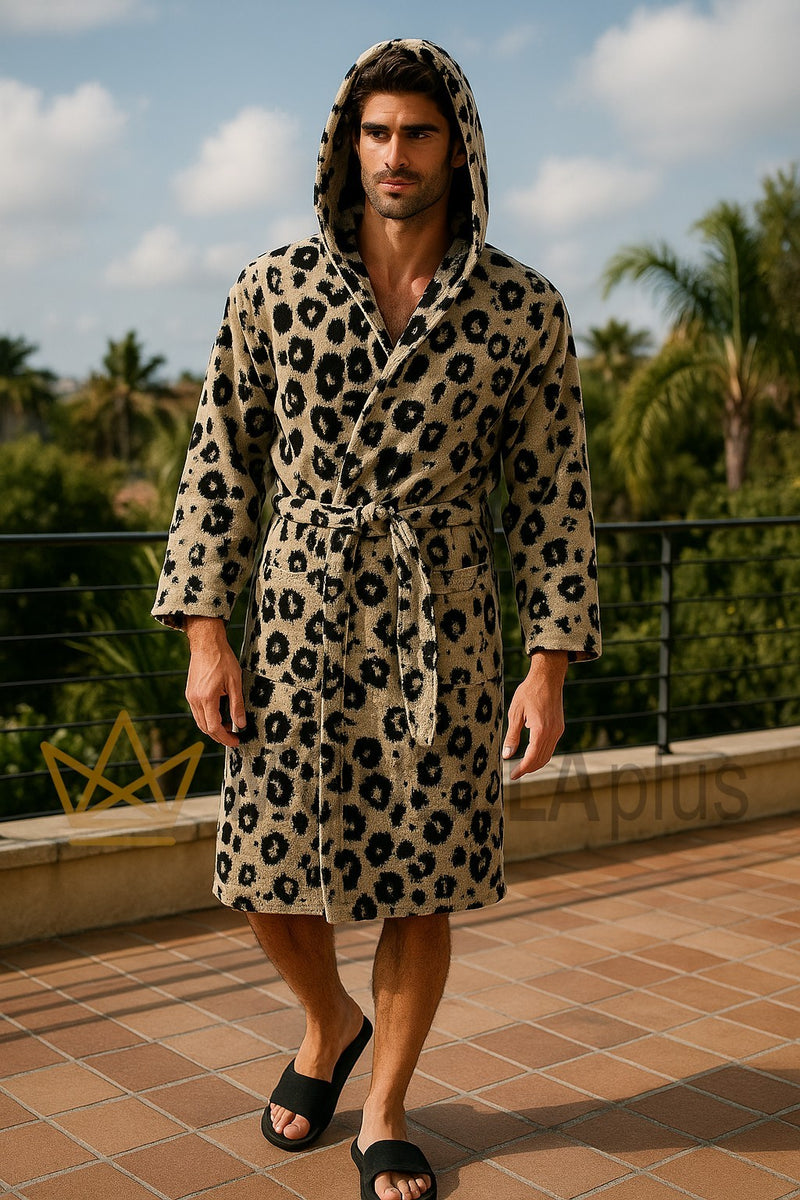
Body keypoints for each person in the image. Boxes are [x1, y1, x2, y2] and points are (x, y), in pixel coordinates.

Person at [152, 37, 601, 1200]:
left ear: (457, 149)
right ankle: (328, 1024)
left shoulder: (519, 308)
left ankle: (386, 1107)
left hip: (441, 621)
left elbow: (552, 496)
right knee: (263, 872)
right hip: (294, 613)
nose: (394, 154)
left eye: (416, 133)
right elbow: (219, 462)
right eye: (375, 132)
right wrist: (206, 632)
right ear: (345, 146)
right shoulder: (272, 288)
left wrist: (546, 666)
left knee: (423, 879)